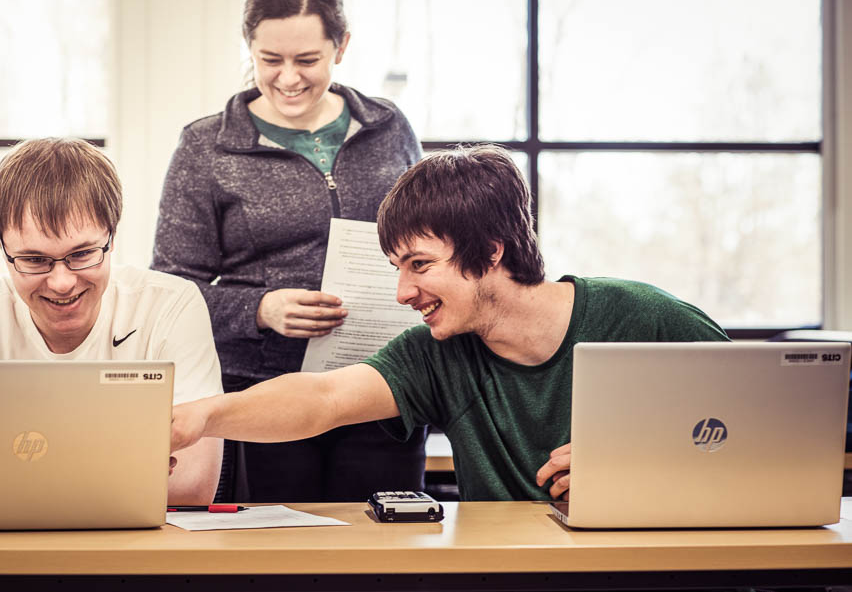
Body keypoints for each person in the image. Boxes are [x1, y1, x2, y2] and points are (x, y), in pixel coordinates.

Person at [169, 144, 730, 501]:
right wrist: (202, 417)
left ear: (489, 252)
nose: (402, 292)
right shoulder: (434, 353)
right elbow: (323, 399)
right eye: (397, 269)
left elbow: (764, 426)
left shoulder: (644, 317)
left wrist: (637, 459)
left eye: (419, 265)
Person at [151, 0, 427, 502]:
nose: (289, 77)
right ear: (248, 47)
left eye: (308, 60)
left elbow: (427, 238)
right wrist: (260, 309)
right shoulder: (205, 147)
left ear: (341, 46)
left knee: (385, 551)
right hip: (259, 397)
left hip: (381, 384)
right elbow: (170, 290)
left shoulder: (390, 128)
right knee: (270, 559)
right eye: (269, 60)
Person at [0, 137, 223, 505]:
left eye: (82, 254)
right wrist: (122, 478)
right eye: (34, 259)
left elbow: (192, 485)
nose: (61, 282)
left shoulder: (170, 305)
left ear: (112, 238)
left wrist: (2, 485)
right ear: (3, 250)